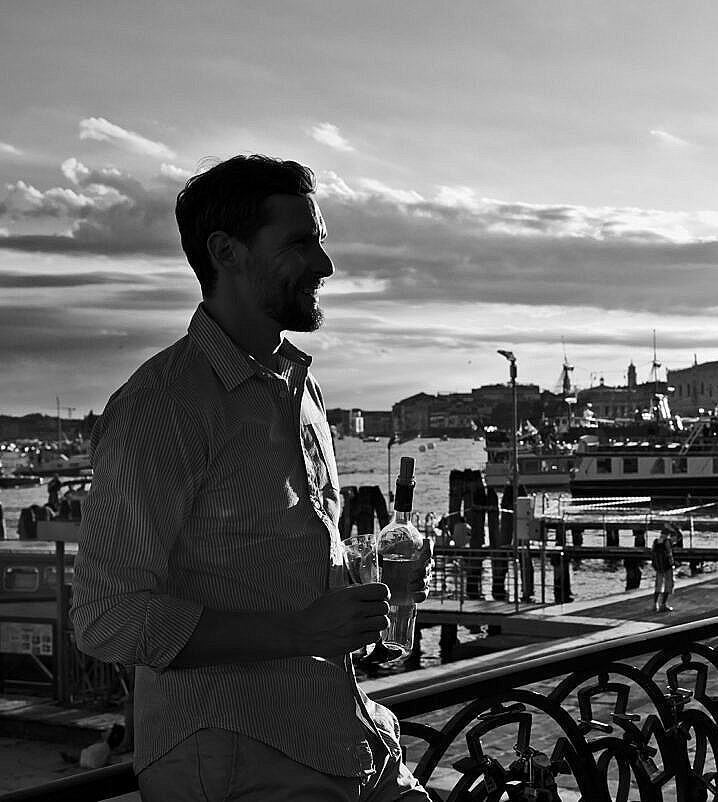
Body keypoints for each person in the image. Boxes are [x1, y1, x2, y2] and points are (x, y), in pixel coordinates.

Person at [70, 156, 431, 801]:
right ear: (225, 252)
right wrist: (303, 631)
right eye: (301, 244)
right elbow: (107, 617)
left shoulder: (300, 388)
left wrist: (356, 584)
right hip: (233, 758)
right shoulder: (161, 407)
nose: (324, 265)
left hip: (340, 741)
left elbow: (276, 564)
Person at [651, 524, 678, 612]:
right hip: (667, 567)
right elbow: (678, 537)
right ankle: (663, 604)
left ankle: (655, 604)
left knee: (658, 585)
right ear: (668, 534)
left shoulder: (655, 541)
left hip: (658, 567)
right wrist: (674, 529)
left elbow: (652, 553)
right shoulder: (667, 541)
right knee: (668, 585)